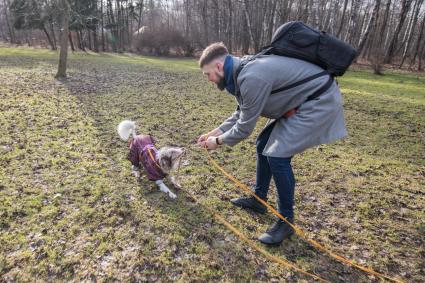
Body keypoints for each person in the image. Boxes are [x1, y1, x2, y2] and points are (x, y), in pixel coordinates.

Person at [197, 42, 347, 245]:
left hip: (317, 100)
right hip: (299, 101)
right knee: (263, 145)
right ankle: (259, 200)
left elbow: (244, 128)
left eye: (208, 75)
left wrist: (217, 142)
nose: (209, 80)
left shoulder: (251, 76)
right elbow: (242, 111)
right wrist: (212, 132)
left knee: (277, 156)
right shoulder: (241, 71)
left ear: (218, 67)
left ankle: (286, 222)